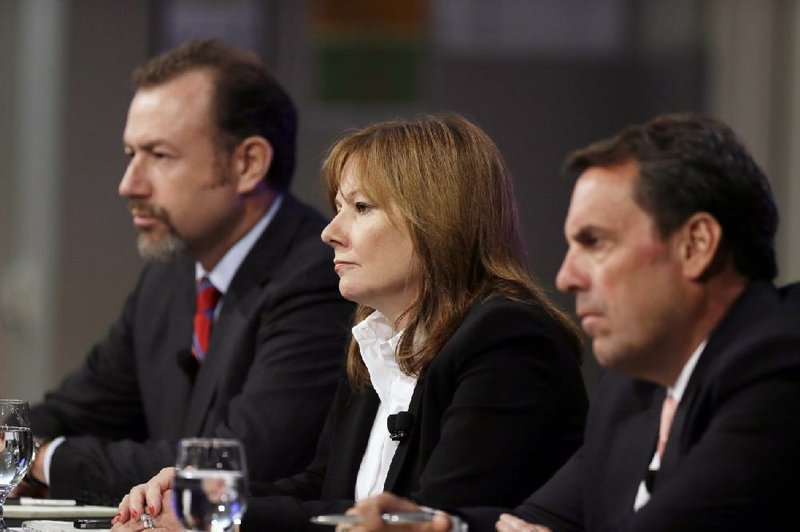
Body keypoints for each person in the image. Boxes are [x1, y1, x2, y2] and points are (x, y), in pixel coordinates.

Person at [111, 114, 589, 530]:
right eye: (338, 208)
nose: (330, 232)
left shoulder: (507, 342)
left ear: (437, 221)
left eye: (360, 208)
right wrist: (208, 498)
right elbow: (324, 486)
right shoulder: (377, 338)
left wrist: (228, 522)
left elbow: (423, 520)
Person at [341, 112, 800, 531]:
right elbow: (539, 520)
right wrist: (443, 527)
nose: (567, 276)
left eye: (595, 242)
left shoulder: (777, 365)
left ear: (695, 245)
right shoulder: (631, 388)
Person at [19, 39, 354, 505]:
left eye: (159, 155)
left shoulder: (320, 276)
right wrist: (12, 442)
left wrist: (42, 460)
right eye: (129, 154)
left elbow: (235, 463)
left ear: (247, 163)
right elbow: (79, 408)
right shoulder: (171, 276)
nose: (128, 185)